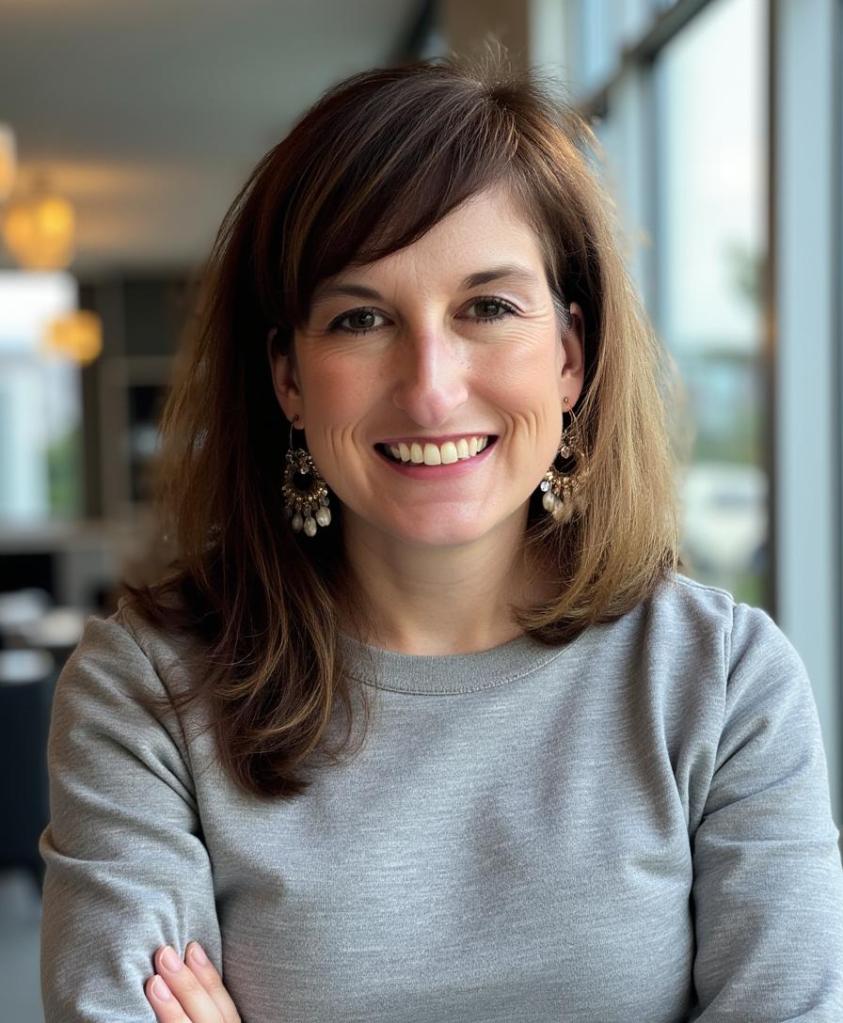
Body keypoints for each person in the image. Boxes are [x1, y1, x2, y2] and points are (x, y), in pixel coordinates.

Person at [39, 51, 843, 1023]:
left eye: (487, 308)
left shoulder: (722, 682)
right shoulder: (149, 690)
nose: (430, 387)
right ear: (289, 378)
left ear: (569, 356)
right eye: (361, 318)